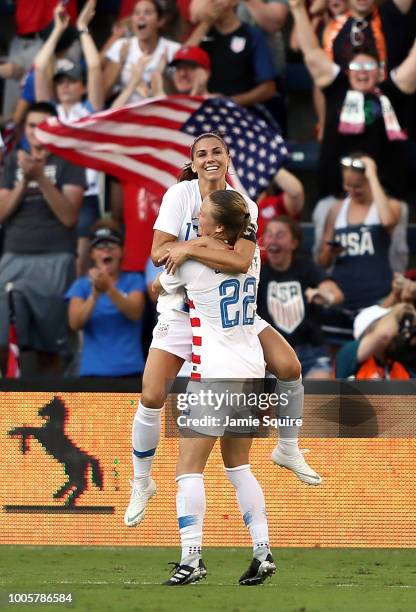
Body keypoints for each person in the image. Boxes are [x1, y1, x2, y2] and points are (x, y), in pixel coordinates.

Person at [124, 132, 321, 533]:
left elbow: (241, 259)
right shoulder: (179, 196)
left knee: (289, 365)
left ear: (228, 159)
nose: (210, 158)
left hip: (232, 312)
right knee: (151, 393)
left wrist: (190, 248)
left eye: (217, 152)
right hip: (182, 310)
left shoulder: (243, 204)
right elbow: (159, 252)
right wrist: (192, 249)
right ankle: (141, 482)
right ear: (193, 162)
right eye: (202, 154)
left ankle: (288, 449)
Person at [154, 189, 276, 586]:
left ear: (219, 226)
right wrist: (200, 244)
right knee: (239, 467)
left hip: (214, 376)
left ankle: (191, 558)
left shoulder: (188, 267)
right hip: (253, 372)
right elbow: (235, 257)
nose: (196, 221)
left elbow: (158, 285)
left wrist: (187, 249)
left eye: (203, 216)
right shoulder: (252, 256)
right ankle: (262, 551)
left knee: (188, 469)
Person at [289, 0, 416, 201]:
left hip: (386, 195)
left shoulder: (390, 91)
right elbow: (312, 53)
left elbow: (413, 65)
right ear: (348, 71)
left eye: (369, 69)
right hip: (336, 195)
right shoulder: (337, 88)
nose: (363, 74)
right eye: (357, 69)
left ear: (380, 72)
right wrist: (297, 8)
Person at [0, 101, 85, 376]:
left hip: (55, 256)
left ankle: (53, 412)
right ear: (24, 129)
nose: (37, 131)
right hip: (14, 256)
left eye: (44, 125)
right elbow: (1, 213)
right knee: (6, 340)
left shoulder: (69, 160)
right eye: (32, 125)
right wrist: (24, 181)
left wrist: (40, 178)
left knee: (50, 345)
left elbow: (69, 216)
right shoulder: (14, 159)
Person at [34, 0, 104, 277]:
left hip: (86, 193)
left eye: (71, 81)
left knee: (81, 259)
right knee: (54, 253)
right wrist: (58, 30)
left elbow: (96, 68)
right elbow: (40, 69)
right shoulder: (48, 114)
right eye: (61, 81)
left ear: (82, 87)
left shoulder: (89, 113)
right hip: (51, 190)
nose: (64, 86)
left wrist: (83, 29)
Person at [257, 216, 344, 378]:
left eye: (280, 235)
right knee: (271, 396)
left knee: (320, 387)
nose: (273, 240)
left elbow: (335, 293)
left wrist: (325, 296)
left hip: (311, 351)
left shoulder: (307, 268)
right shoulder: (257, 274)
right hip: (273, 355)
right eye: (269, 235)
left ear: (294, 243)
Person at [66, 221, 146, 377]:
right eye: (100, 247)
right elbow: (75, 323)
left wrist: (108, 288)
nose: (106, 251)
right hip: (92, 374)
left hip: (130, 372)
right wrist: (95, 294)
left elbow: (135, 312)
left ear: (122, 251)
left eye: (112, 246)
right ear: (92, 254)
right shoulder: (81, 286)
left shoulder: (134, 280)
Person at [103, 0, 180, 103]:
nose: (141, 17)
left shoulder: (174, 50)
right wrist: (120, 64)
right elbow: (102, 97)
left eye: (147, 13)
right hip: (125, 113)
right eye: (136, 13)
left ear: (160, 21)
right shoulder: (121, 46)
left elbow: (179, 99)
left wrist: (163, 74)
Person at [335, 302, 416, 378]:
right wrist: (401, 308)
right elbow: (384, 335)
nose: (396, 329)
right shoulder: (348, 352)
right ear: (369, 330)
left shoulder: (399, 362)